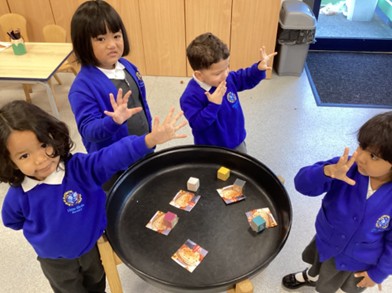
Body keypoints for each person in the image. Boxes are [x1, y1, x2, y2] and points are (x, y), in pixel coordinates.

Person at [0, 100, 186, 292]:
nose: (40, 159)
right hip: (55, 261)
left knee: (97, 283)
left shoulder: (80, 168)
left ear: (53, 136)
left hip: (93, 248)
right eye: (24, 156)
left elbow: (112, 156)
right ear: (11, 162)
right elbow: (12, 221)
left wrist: (148, 140)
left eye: (43, 144)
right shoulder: (19, 195)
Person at [282, 111, 392, 293]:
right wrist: (327, 172)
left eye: (373, 156)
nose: (361, 157)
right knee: (317, 265)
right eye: (361, 147)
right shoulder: (345, 167)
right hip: (326, 239)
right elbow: (301, 184)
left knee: (335, 285)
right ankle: (309, 276)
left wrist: (378, 273)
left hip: (358, 260)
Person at [68, 0, 153, 190]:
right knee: (121, 198)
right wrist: (113, 121)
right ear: (83, 43)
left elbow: (140, 102)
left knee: (147, 188)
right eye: (100, 39)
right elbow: (88, 130)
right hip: (114, 165)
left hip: (141, 146)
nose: (112, 45)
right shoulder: (82, 88)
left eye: (116, 35)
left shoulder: (128, 67)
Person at [179, 32, 277, 153]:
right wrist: (213, 105)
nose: (225, 74)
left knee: (239, 169)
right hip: (210, 149)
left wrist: (258, 69)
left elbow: (244, 77)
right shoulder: (190, 97)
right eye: (218, 73)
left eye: (227, 67)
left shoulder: (227, 78)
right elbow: (198, 124)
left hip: (236, 141)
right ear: (199, 75)